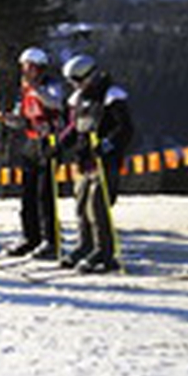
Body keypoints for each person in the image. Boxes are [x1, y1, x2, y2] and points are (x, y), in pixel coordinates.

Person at [58, 54, 133, 273]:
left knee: (97, 206)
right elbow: (74, 125)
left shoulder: (111, 96)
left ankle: (104, 252)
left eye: (78, 80)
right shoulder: (78, 98)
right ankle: (85, 245)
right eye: (72, 82)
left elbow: (125, 129)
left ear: (90, 76)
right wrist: (61, 143)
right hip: (84, 160)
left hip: (104, 161)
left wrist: (108, 144)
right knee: (81, 205)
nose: (76, 85)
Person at [0, 48, 65, 259]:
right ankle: (30, 237)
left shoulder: (50, 84)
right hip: (31, 142)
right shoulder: (24, 89)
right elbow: (21, 118)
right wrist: (8, 119)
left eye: (29, 67)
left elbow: (56, 103)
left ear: (39, 68)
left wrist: (37, 90)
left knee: (44, 194)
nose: (25, 71)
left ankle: (50, 240)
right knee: (27, 195)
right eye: (24, 67)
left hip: (49, 142)